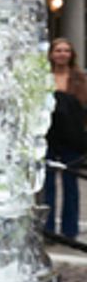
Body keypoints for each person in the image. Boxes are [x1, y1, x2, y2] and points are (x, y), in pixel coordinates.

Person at [45, 37, 87, 239]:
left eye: (66, 51)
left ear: (71, 54)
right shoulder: (43, 77)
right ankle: (50, 229)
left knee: (72, 185)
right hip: (48, 136)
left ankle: (70, 231)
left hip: (73, 136)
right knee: (48, 185)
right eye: (58, 50)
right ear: (51, 54)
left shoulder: (80, 78)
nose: (62, 54)